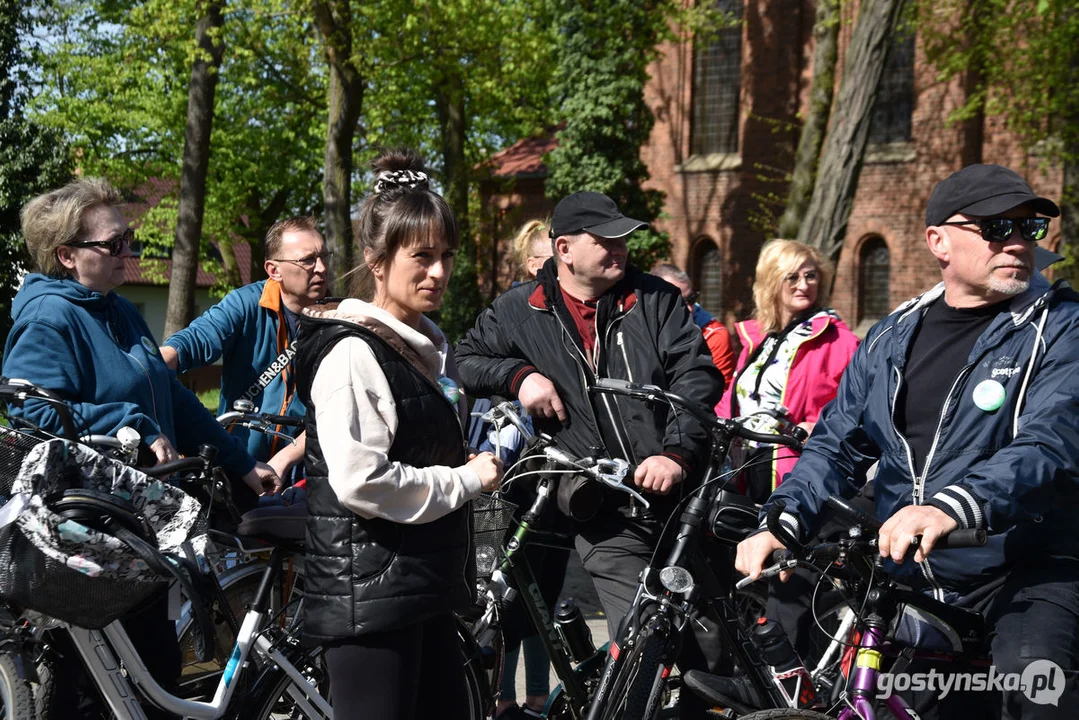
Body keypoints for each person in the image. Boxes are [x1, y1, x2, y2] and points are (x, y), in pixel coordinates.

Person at [736, 164, 1079, 719]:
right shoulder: (892, 336)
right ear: (938, 241)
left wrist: (951, 508)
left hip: (1028, 568)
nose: (1017, 241)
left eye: (1029, 228)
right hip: (910, 579)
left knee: (1033, 689)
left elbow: (1052, 441)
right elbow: (836, 446)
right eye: (996, 227)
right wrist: (782, 521)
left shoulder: (1063, 326)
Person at [2, 177, 281, 715]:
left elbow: (175, 400)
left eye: (127, 239)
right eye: (113, 245)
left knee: (153, 667)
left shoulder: (117, 309)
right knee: (107, 679)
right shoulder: (49, 317)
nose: (127, 253)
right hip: (90, 533)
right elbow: (28, 412)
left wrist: (243, 464)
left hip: (139, 520)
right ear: (66, 254)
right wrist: (127, 419)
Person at [456, 191, 726, 718]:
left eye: (624, 239)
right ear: (563, 249)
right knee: (648, 642)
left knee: (713, 640)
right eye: (606, 240)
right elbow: (467, 358)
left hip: (681, 496)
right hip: (600, 509)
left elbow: (696, 378)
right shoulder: (519, 308)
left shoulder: (656, 299)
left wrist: (676, 453)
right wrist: (520, 376)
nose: (621, 249)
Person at [292, 149, 503, 720]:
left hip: (419, 590)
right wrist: (464, 480)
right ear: (376, 261)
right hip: (369, 603)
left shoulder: (426, 351)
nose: (438, 272)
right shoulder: (355, 354)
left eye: (447, 256)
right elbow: (362, 482)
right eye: (422, 256)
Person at [476, 217, 567, 720]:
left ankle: (535, 696)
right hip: (513, 474)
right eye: (545, 255)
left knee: (546, 592)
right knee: (510, 595)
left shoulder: (568, 313)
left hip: (556, 477)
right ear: (530, 263)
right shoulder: (512, 312)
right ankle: (501, 696)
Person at [161, 216, 329, 484]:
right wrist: (158, 362)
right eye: (307, 260)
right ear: (274, 270)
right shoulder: (246, 303)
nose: (320, 267)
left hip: (303, 471)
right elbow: (200, 337)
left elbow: (333, 412)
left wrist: (284, 459)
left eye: (324, 256)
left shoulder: (337, 321)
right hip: (238, 466)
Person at [716, 240, 858, 503]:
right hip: (743, 465)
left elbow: (858, 407)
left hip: (798, 473)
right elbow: (737, 398)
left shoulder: (839, 339)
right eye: (792, 277)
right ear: (772, 281)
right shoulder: (759, 339)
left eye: (810, 276)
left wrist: (821, 428)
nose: (804, 285)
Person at [652, 262, 736, 388]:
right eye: (678, 301)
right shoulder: (637, 326)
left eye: (691, 299)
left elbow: (718, 395)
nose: (689, 308)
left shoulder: (714, 336)